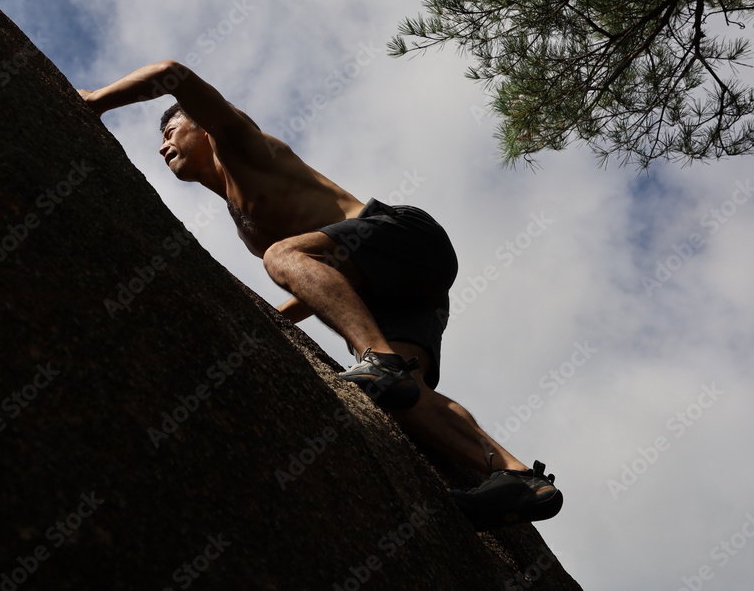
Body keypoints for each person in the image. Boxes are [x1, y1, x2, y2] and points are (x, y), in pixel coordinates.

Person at [78, 60, 562, 529]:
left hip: (403, 236)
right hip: (395, 290)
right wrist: (265, 323)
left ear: (201, 127)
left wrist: (95, 101)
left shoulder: (240, 145)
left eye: (169, 133)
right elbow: (320, 284)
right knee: (405, 400)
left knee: (282, 260)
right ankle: (518, 477)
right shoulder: (239, 213)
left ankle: (380, 359)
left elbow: (172, 72)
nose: (162, 148)